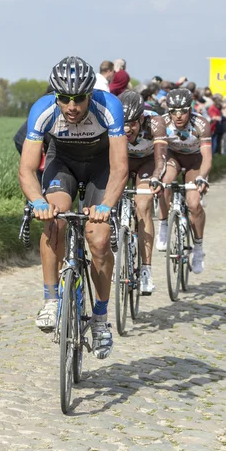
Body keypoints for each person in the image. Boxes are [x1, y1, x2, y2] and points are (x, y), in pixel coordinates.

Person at [18, 56, 128, 360]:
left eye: (79, 98)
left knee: (100, 240)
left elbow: (119, 168)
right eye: (64, 98)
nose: (72, 105)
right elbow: (27, 170)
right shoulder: (43, 109)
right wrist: (38, 202)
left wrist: (106, 206)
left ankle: (101, 320)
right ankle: (52, 299)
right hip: (62, 164)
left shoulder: (108, 107)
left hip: (100, 169)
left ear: (89, 95)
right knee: (55, 221)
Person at [156, 88, 212, 274]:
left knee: (194, 204)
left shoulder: (201, 123)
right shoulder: (163, 123)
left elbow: (206, 156)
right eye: (173, 111)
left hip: (195, 159)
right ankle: (163, 224)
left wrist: (202, 177)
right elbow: (161, 153)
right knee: (164, 184)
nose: (178, 116)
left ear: (190, 109)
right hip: (173, 157)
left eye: (183, 111)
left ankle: (198, 247)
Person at [120, 91, 168, 295]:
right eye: (123, 123)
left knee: (143, 206)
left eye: (131, 123)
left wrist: (157, 176)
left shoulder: (155, 123)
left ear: (141, 118)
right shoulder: (111, 122)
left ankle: (146, 270)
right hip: (123, 160)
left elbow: (160, 160)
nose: (126, 128)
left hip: (147, 163)